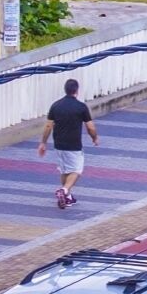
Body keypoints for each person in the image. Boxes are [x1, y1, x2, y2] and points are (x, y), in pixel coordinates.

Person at [38, 79, 98, 211]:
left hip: (58, 143)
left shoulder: (56, 106)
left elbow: (48, 125)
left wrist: (43, 142)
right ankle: (64, 190)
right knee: (76, 170)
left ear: (65, 90)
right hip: (74, 144)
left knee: (64, 170)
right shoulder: (81, 107)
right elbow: (90, 127)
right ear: (77, 90)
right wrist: (94, 138)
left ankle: (67, 197)